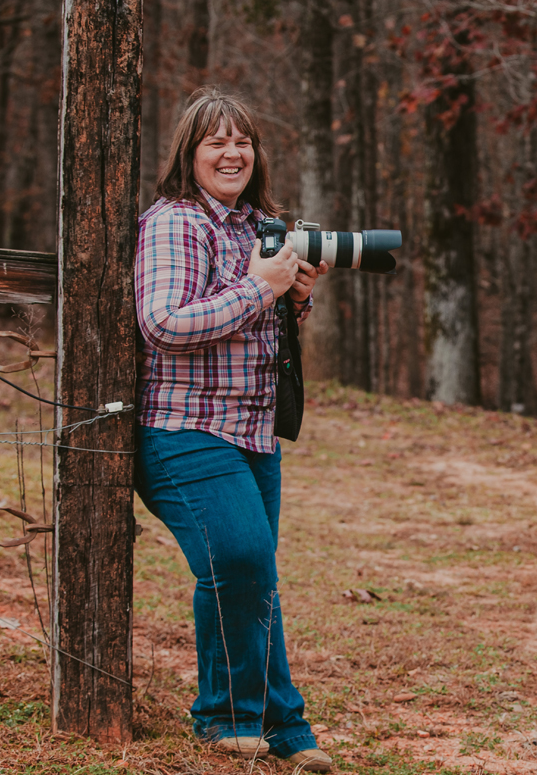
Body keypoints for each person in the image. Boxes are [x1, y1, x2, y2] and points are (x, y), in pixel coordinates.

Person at [133, 87, 331, 772]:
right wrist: (261, 289)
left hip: (252, 434)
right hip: (182, 428)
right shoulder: (174, 223)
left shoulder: (260, 226)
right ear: (188, 153)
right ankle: (225, 718)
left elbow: (257, 329)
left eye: (242, 140)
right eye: (216, 141)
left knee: (251, 576)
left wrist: (293, 298)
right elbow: (162, 323)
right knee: (242, 559)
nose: (232, 152)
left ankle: (282, 728)